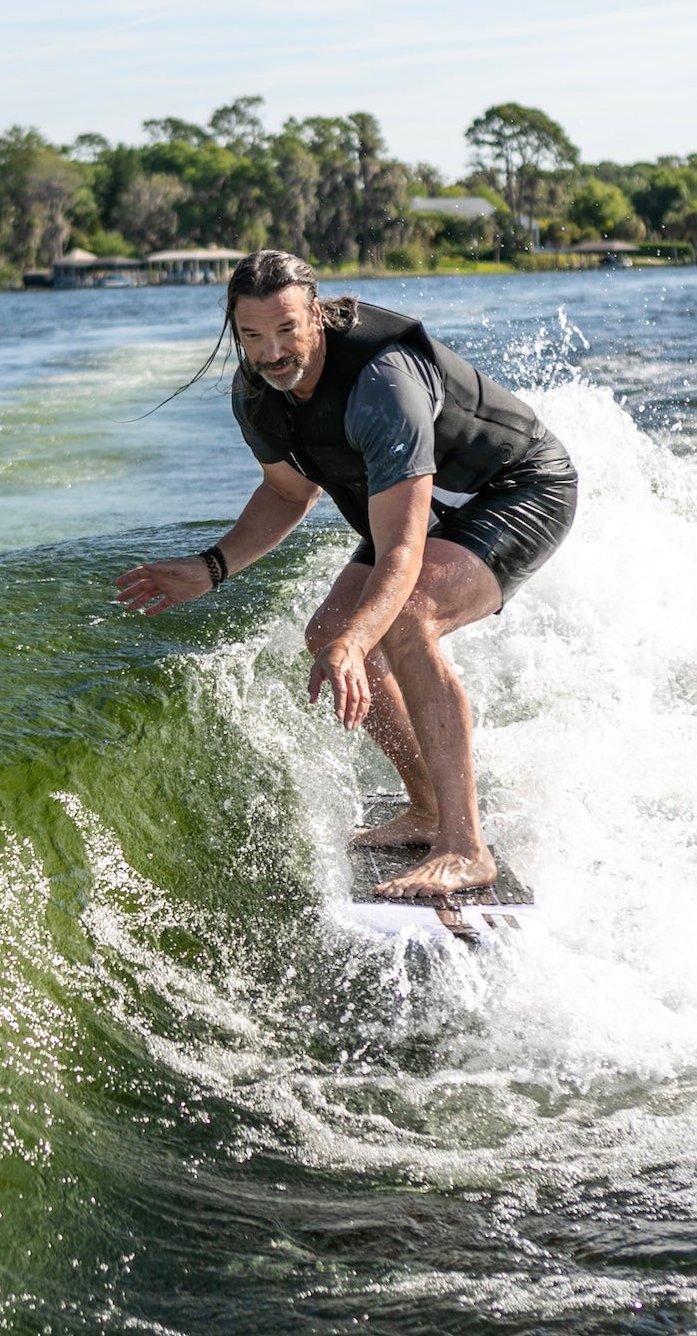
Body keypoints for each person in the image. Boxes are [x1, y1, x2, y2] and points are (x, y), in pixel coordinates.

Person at [115, 250, 576, 897]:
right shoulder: (258, 392)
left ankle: (465, 847)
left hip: (517, 490)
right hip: (422, 508)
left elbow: (402, 554)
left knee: (405, 619)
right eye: (252, 335)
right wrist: (211, 567)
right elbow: (287, 492)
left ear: (318, 315)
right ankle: (427, 809)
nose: (272, 352)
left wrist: (359, 642)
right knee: (329, 629)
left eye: (287, 330)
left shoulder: (383, 384)